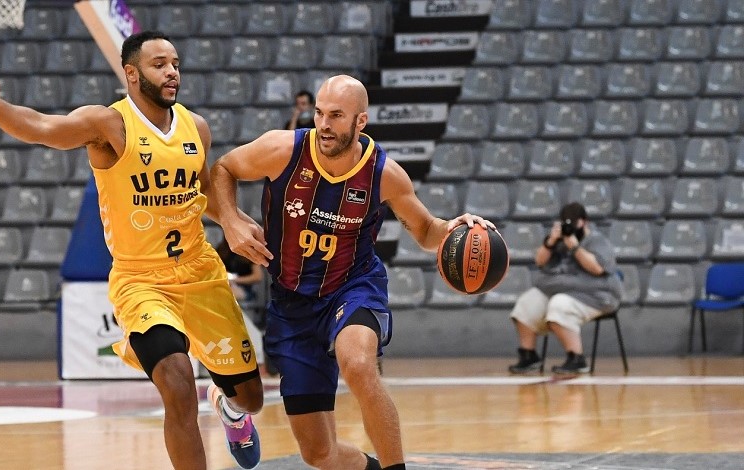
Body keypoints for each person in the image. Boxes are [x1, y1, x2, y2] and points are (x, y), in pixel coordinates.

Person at [0, 31, 264, 470]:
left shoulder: (197, 128)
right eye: (160, 64)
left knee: (251, 398)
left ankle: (229, 408)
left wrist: (232, 218)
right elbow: (43, 128)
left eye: (175, 64)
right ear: (132, 73)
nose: (172, 72)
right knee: (176, 383)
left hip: (199, 273)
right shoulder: (107, 124)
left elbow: (204, 191)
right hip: (142, 281)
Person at [210, 75, 494, 470]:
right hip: (292, 303)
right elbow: (223, 168)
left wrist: (452, 229)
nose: (324, 124)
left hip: (353, 286)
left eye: (336, 116)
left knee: (358, 364)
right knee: (318, 453)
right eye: (319, 113)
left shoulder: (384, 173)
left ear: (361, 121)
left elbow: (425, 230)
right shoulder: (282, 149)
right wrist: (229, 220)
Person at [507, 202, 624, 377]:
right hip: (563, 291)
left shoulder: (597, 241)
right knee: (527, 302)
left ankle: (576, 358)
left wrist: (575, 247)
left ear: (583, 222)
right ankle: (529, 356)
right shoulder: (560, 241)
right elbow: (540, 262)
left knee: (559, 304)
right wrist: (550, 242)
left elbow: (597, 269)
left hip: (597, 296)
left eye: (573, 223)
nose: (570, 228)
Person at [216, 238, 263, 302]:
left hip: (245, 287)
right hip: (225, 283)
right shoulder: (222, 249)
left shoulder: (251, 250)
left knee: (227, 293)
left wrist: (235, 280)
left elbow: (257, 276)